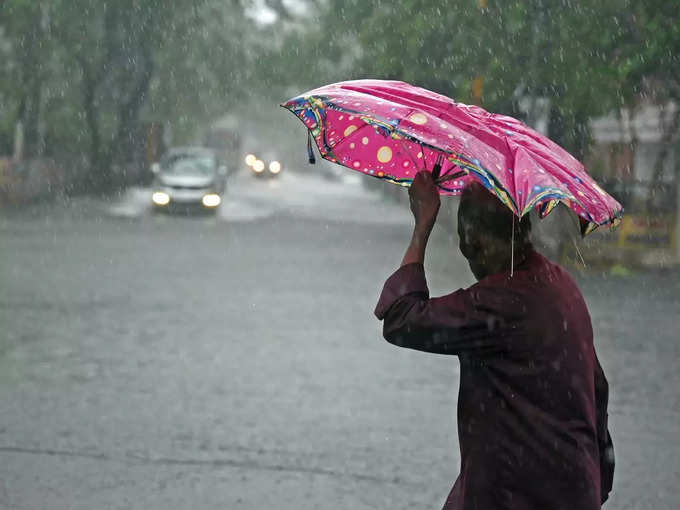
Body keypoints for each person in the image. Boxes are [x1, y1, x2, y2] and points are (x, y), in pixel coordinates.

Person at [374, 171, 614, 509]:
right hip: (572, 486)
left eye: (467, 247)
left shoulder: (502, 299)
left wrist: (422, 224)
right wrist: (596, 475)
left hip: (515, 491)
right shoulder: (561, 285)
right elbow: (597, 387)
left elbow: (401, 318)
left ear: (477, 243)